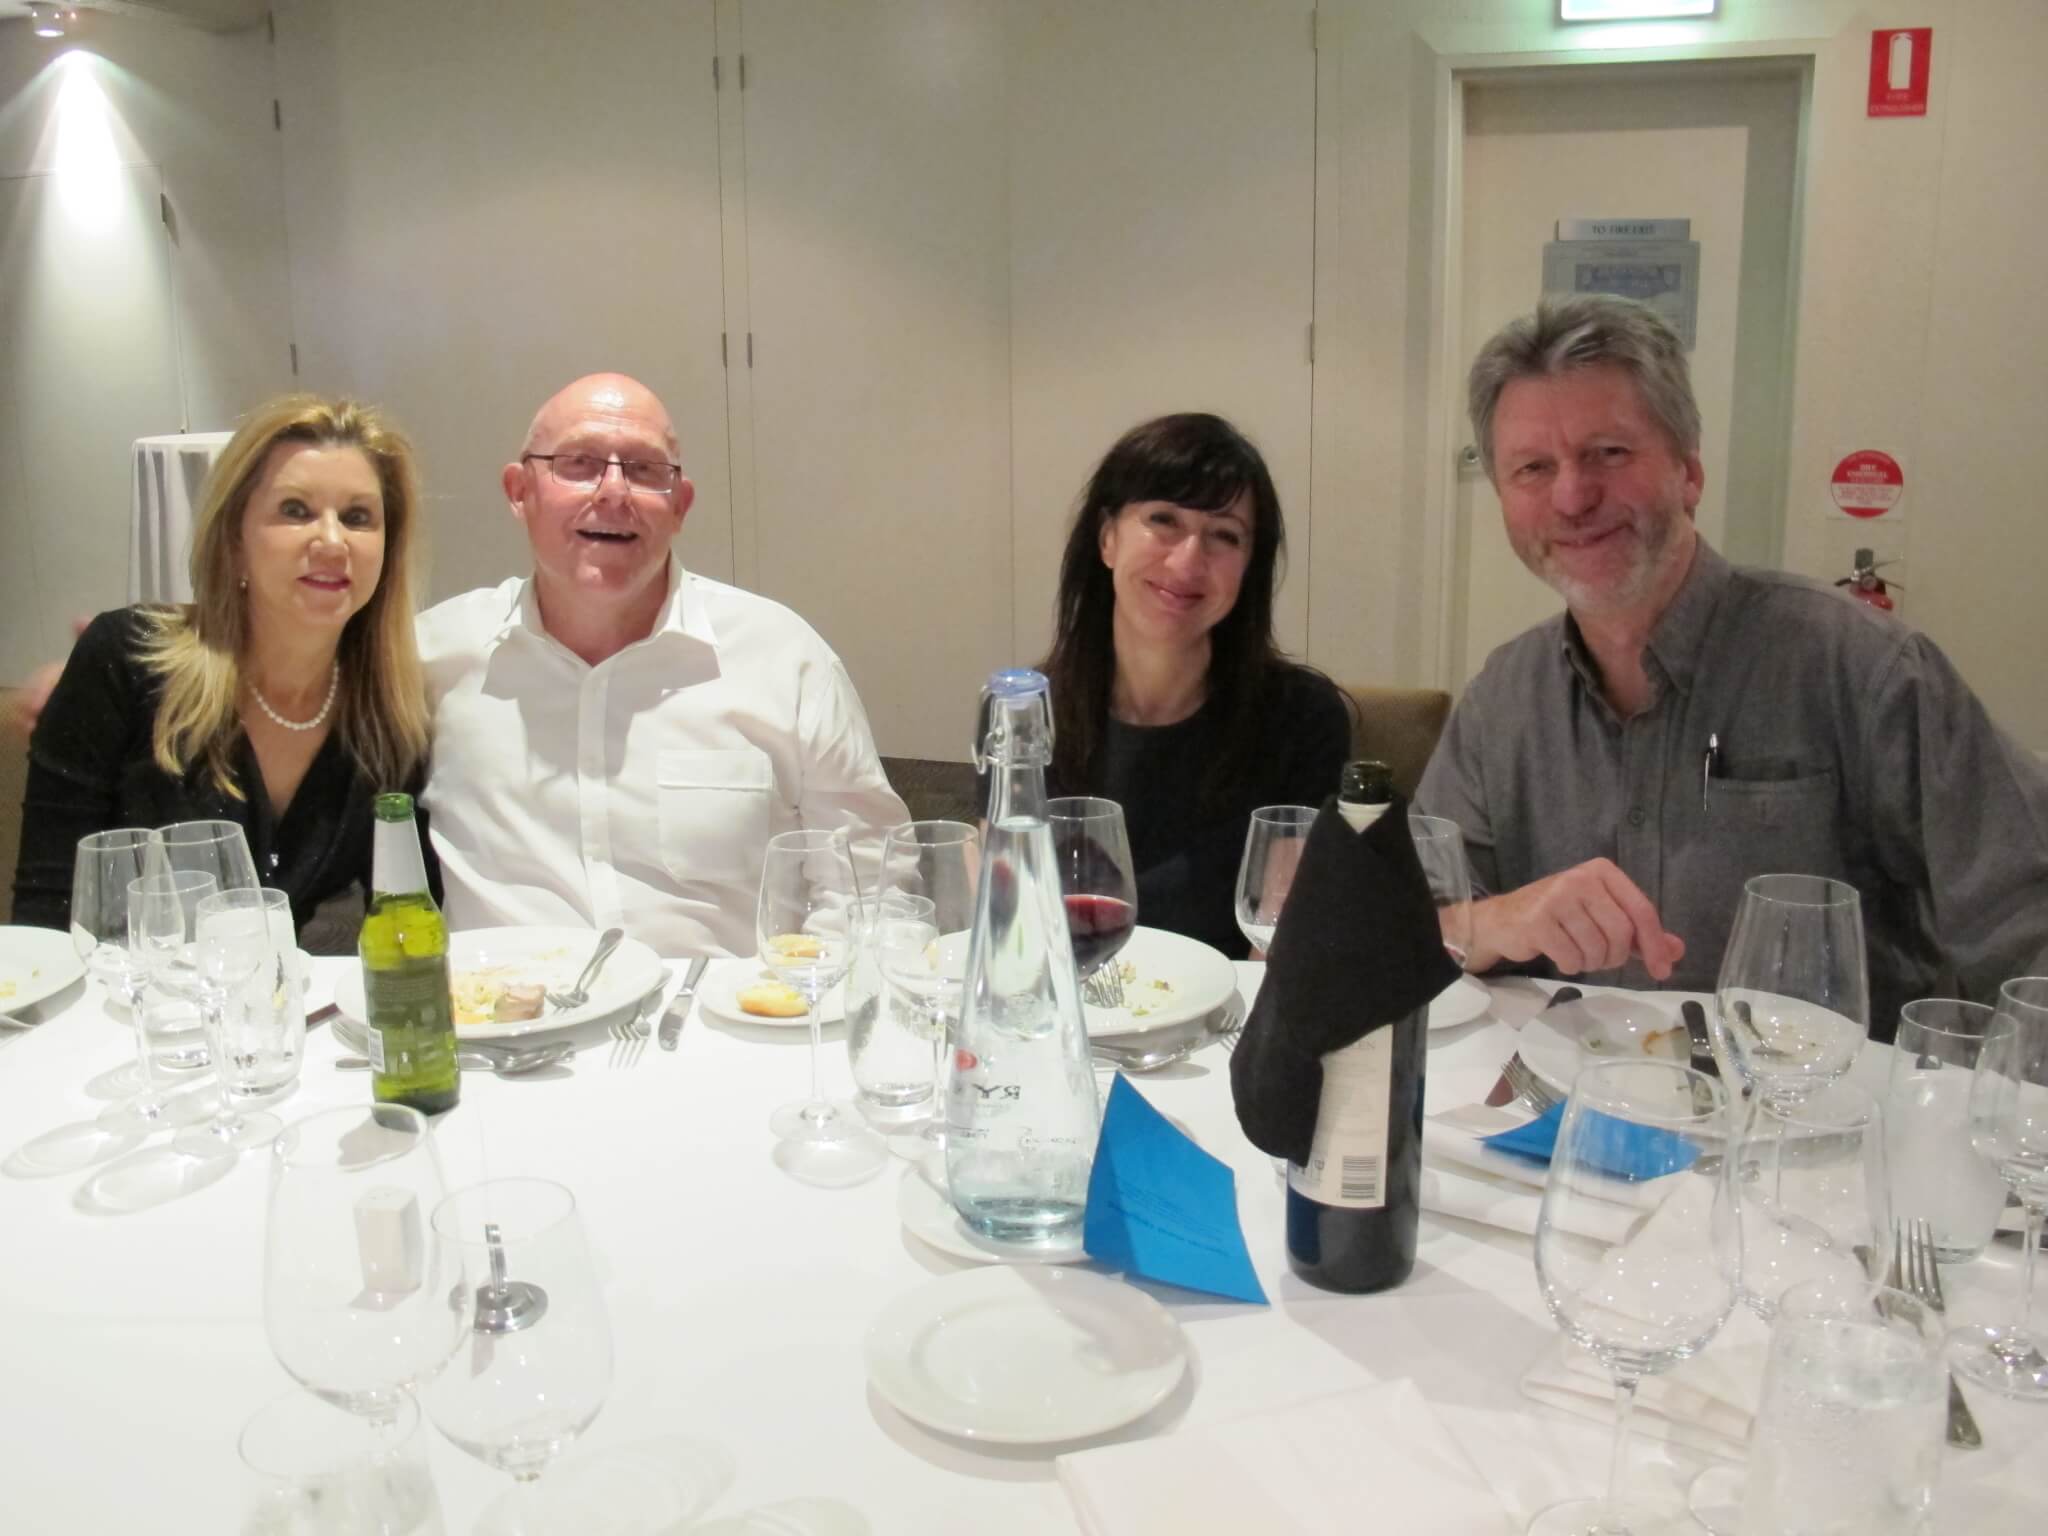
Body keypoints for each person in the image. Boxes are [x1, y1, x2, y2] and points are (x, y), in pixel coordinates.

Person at [1416, 293, 2048, 1037]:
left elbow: (2028, 927)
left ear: (1689, 472)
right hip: (1557, 1102)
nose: (1573, 496)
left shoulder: (1864, 670)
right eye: (1532, 468)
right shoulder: (1503, 701)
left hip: (1811, 1102)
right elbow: (1401, 923)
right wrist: (1494, 920)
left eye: (1608, 453)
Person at [414, 372, 906, 955]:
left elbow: (871, 888)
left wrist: (804, 996)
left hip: (725, 1009)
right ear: (520, 491)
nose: (613, 491)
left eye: (645, 469)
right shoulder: (431, 658)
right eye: (579, 463)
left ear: (680, 506)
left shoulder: (783, 658)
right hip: (502, 1010)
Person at [11, 395, 434, 953]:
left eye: (357, 517)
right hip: (120, 1002)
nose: (333, 541)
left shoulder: (391, 721)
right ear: (234, 541)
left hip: (276, 1003)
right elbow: (43, 923)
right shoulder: (126, 662)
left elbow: (413, 919)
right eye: (296, 510)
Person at [1024, 413, 1353, 959]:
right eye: (1164, 520)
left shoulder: (1302, 719)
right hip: (1070, 1004)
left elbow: (1278, 945)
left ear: (1249, 567)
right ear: (1107, 538)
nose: (1188, 560)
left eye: (1224, 535)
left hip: (1231, 1007)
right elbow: (1013, 930)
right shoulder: (1025, 712)